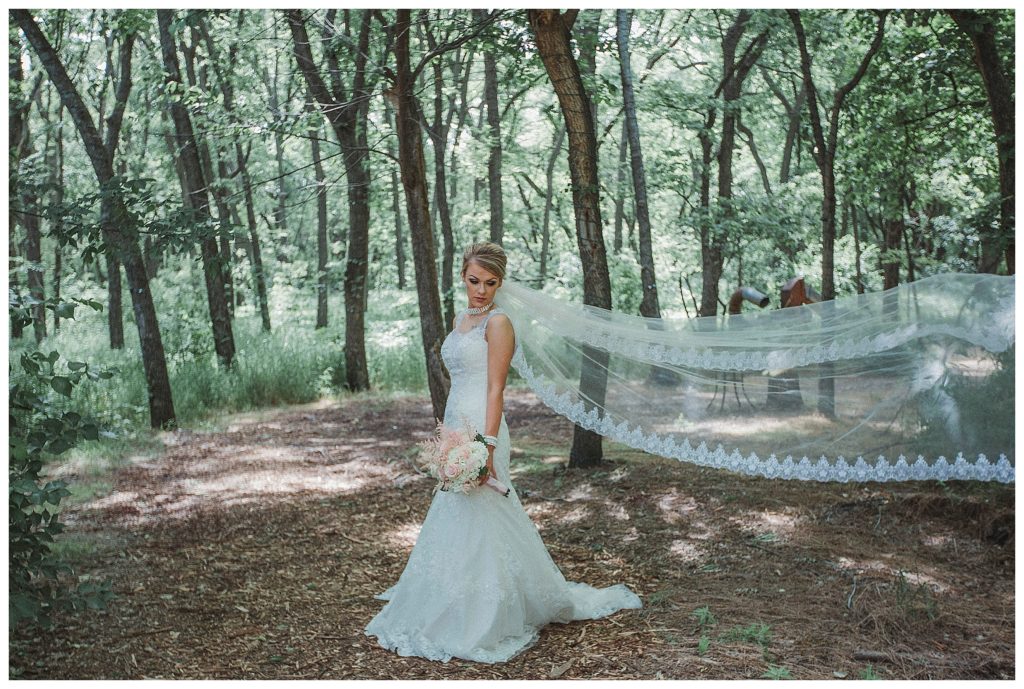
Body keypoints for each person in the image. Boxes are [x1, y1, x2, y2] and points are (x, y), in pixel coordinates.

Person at [364, 242, 642, 664]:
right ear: (463, 275)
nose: (481, 291)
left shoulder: (499, 322)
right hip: (457, 424)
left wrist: (486, 446)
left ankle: (488, 611)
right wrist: (449, 436)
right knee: (456, 510)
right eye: (474, 281)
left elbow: (496, 387)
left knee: (486, 508)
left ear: (500, 283)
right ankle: (452, 595)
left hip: (485, 427)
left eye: (490, 283)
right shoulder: (462, 319)